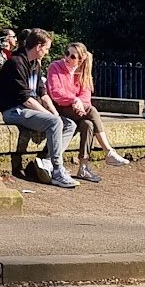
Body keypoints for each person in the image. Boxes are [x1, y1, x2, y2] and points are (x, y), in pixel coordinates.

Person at [0, 27, 77, 189]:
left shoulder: (35, 64)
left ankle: (48, 161)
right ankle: (57, 170)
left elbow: (43, 93)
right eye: (46, 48)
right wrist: (52, 117)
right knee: (55, 122)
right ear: (38, 46)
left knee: (70, 124)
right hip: (14, 111)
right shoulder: (15, 63)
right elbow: (26, 99)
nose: (47, 52)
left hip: (29, 109)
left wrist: (55, 114)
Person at [45, 42, 129, 182]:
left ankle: (83, 167)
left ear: (81, 59)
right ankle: (108, 151)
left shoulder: (83, 73)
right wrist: (74, 100)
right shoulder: (55, 67)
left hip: (77, 110)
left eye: (72, 56)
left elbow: (85, 97)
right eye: (67, 53)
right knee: (92, 110)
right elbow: (56, 93)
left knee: (88, 124)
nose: (67, 58)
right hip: (59, 108)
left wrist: (79, 103)